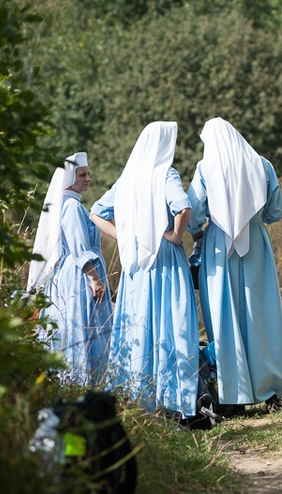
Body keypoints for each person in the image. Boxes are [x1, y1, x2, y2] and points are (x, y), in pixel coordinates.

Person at [90, 121, 200, 420]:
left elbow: (96, 212)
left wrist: (127, 237)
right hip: (163, 258)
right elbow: (183, 206)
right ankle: (174, 400)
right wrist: (176, 236)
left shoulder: (125, 180)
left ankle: (137, 397)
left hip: (135, 262)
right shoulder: (165, 174)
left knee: (138, 324)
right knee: (171, 322)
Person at [187, 117, 282, 410]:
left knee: (225, 318)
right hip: (256, 244)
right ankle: (272, 390)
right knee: (262, 315)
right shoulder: (263, 164)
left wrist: (199, 231)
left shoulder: (205, 167)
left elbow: (194, 212)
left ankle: (235, 393)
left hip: (219, 249)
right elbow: (276, 210)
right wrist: (256, 221)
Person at [27, 152, 113, 386]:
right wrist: (94, 278)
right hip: (80, 275)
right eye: (82, 174)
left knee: (72, 326)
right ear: (69, 178)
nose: (88, 178)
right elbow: (79, 248)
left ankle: (71, 379)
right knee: (82, 327)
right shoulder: (73, 207)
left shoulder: (67, 204)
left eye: (88, 174)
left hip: (71, 273)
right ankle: (83, 380)